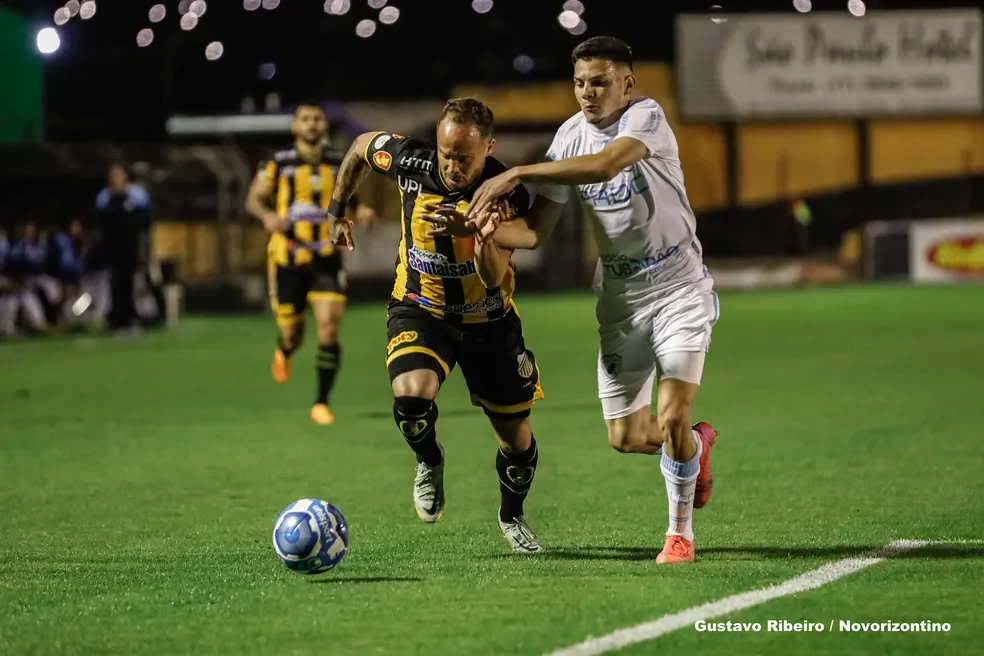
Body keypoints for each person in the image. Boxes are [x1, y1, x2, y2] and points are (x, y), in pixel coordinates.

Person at [430, 38, 720, 564]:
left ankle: (679, 536)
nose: (588, 92)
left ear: (627, 84)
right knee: (627, 436)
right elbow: (536, 234)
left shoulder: (647, 118)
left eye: (601, 81)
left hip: (679, 287)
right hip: (619, 299)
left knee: (673, 411)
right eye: (581, 82)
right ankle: (694, 448)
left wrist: (518, 172)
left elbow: (607, 165)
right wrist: (481, 228)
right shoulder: (567, 137)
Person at [324, 98, 546, 554]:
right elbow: (362, 147)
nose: (452, 165)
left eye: (464, 157)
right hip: (421, 310)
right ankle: (430, 460)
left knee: (517, 443)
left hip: (489, 323)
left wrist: (476, 232)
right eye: (447, 153)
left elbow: (492, 276)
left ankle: (512, 514)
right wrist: (337, 207)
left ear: (489, 148)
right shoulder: (412, 161)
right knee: (410, 397)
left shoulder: (504, 194)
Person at [245, 102, 378, 425]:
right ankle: (285, 350)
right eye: (305, 119)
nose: (312, 124)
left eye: (317, 119)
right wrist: (267, 217)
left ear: (324, 125)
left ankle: (321, 402)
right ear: (295, 127)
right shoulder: (278, 162)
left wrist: (361, 212)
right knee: (293, 334)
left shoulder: (338, 160)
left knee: (329, 329)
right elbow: (254, 199)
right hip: (288, 259)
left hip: (327, 260)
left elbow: (351, 197)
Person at [95, 163, 152, 336]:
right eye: (112, 177)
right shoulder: (104, 197)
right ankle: (117, 321)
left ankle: (132, 320)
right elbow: (100, 223)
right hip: (113, 249)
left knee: (132, 285)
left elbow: (146, 221)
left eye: (118, 176)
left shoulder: (137, 196)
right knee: (115, 285)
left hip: (131, 248)